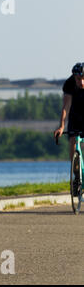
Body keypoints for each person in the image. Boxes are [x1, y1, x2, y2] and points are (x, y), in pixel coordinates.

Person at [54, 62, 84, 195]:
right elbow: (66, 107)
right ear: (74, 77)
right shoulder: (69, 84)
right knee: (73, 140)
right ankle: (76, 177)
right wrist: (61, 126)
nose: (82, 82)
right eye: (79, 79)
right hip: (75, 117)